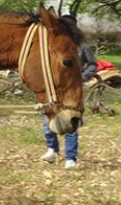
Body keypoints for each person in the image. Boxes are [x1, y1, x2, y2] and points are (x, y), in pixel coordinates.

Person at [40, 15, 97, 170]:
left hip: (72, 89)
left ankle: (70, 158)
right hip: (55, 88)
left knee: (72, 122)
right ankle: (52, 149)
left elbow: (93, 65)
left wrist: (81, 77)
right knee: (48, 115)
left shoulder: (83, 46)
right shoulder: (56, 45)